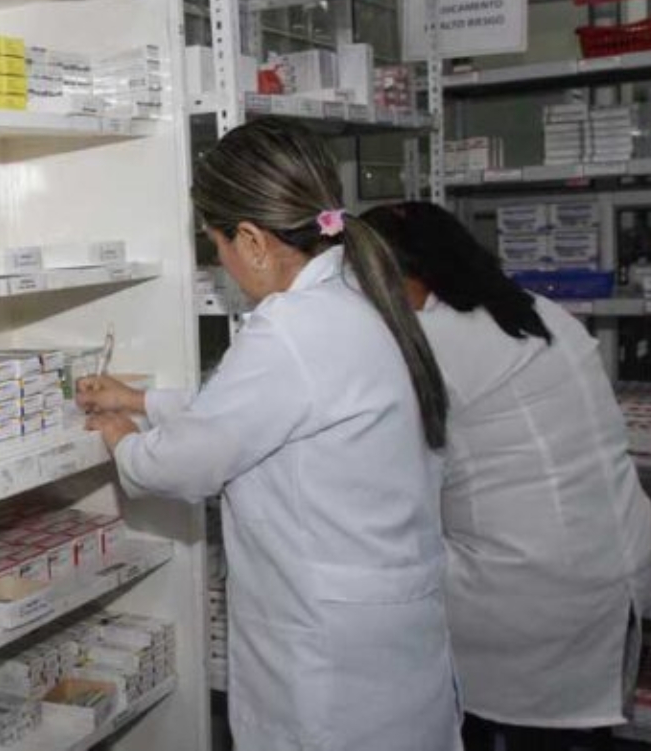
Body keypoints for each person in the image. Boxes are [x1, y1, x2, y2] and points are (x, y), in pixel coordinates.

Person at [76, 118, 461, 751]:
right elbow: (266, 409)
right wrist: (141, 400)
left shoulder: (290, 327)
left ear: (252, 241)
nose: (222, 267)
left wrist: (122, 435)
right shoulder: (362, 295)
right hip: (393, 643)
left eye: (217, 246)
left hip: (329, 665)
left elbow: (181, 464)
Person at [361, 201, 651, 751]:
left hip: (526, 593)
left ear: (401, 277)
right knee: (573, 737)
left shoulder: (431, 343)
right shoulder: (539, 311)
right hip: (616, 566)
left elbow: (375, 464)